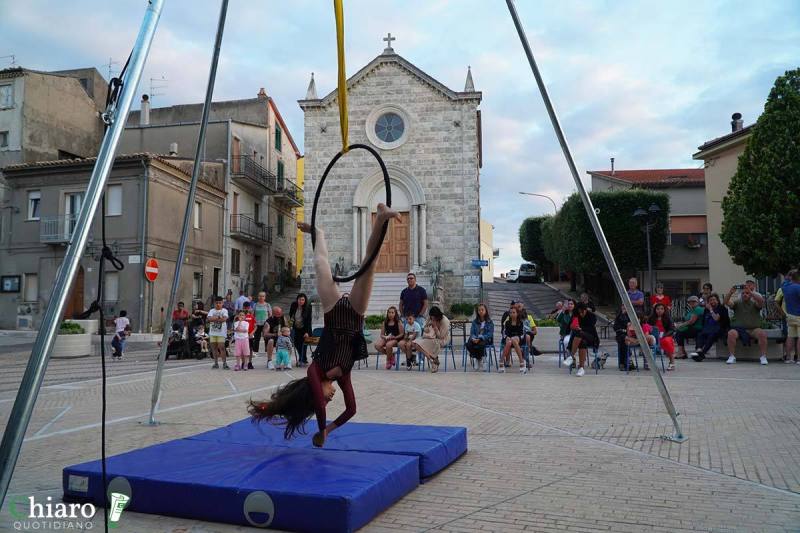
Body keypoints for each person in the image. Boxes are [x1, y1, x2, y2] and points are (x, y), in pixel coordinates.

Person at [248, 203, 401, 445]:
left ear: (316, 388)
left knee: (321, 266)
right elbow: (351, 409)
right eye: (331, 399)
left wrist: (321, 428)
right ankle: (381, 219)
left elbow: (319, 405)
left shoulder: (315, 370)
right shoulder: (344, 375)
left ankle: (318, 233)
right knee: (368, 267)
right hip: (355, 315)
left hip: (332, 312)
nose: (331, 397)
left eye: (328, 398)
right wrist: (328, 431)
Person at [724, 281, 769, 365]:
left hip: (753, 329)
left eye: (747, 293)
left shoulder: (754, 303)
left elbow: (761, 301)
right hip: (739, 329)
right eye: (743, 293)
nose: (745, 294)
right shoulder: (737, 302)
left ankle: (763, 357)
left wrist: (751, 292)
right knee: (731, 333)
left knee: (762, 334)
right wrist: (730, 292)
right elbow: (726, 302)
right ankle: (732, 356)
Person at [690, 293, 730, 361]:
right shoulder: (706, 310)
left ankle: (702, 353)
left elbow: (716, 318)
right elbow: (704, 321)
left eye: (714, 300)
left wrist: (711, 310)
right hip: (708, 328)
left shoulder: (721, 308)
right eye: (710, 300)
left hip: (720, 329)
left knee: (711, 335)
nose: (712, 301)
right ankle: (699, 350)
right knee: (700, 334)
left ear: (717, 300)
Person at [564, 302, 598, 377]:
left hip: (591, 336)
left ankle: (571, 356)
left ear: (585, 310)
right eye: (579, 312)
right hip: (579, 339)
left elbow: (591, 328)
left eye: (582, 312)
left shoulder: (592, 316)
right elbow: (569, 327)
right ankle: (581, 368)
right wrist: (572, 327)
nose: (581, 314)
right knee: (582, 342)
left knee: (579, 333)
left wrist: (580, 328)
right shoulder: (576, 315)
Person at [413, 306, 450, 373]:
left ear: (437, 316)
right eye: (431, 317)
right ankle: (433, 360)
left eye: (433, 317)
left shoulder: (445, 321)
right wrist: (427, 327)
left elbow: (441, 336)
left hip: (442, 339)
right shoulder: (430, 317)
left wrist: (435, 327)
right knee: (415, 343)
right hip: (429, 336)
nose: (432, 319)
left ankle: (433, 362)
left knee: (423, 344)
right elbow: (424, 327)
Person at [777, 270, 800, 364]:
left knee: (790, 336)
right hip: (799, 315)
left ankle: (788, 358)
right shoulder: (798, 288)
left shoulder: (785, 287)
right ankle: (799, 359)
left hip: (789, 315)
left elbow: (785, 282)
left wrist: (789, 274)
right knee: (799, 337)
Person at [647, 303, 676, 371]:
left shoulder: (668, 318)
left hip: (665, 336)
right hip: (654, 337)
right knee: (647, 340)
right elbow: (647, 328)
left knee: (667, 341)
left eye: (661, 309)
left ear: (664, 310)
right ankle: (649, 363)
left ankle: (672, 362)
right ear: (655, 310)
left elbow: (672, 329)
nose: (659, 310)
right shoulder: (651, 318)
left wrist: (664, 335)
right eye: (658, 309)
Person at [466, 303, 494, 369]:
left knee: (481, 344)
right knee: (468, 344)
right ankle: (478, 358)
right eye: (479, 310)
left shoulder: (489, 322)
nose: (481, 311)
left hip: (485, 339)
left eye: (482, 310)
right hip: (475, 338)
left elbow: (490, 334)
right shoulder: (474, 322)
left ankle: (483, 360)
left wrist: (481, 337)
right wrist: (473, 338)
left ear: (486, 311)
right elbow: (472, 332)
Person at [288, 293, 313, 367]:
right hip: (296, 327)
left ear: (305, 301)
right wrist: (290, 326)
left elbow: (309, 321)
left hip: (305, 329)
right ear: (297, 300)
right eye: (299, 299)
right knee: (296, 343)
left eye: (303, 300)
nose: (301, 301)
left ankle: (302, 359)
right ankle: (302, 358)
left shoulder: (308, 307)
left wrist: (307, 332)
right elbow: (291, 316)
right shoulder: (293, 305)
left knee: (304, 344)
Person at [500, 307, 526, 374]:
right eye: (510, 313)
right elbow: (504, 333)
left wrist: (517, 337)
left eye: (514, 312)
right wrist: (507, 337)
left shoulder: (521, 322)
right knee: (509, 341)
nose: (512, 314)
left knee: (514, 340)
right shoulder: (507, 323)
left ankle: (521, 362)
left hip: (519, 338)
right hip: (508, 338)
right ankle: (502, 362)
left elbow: (523, 334)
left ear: (517, 313)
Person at [207, 296, 229, 369]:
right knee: (214, 348)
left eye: (220, 303)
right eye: (217, 303)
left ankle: (224, 363)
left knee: (222, 347)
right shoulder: (212, 310)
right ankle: (216, 363)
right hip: (213, 332)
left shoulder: (224, 310)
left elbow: (224, 319)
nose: (218, 304)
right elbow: (209, 319)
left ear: (222, 303)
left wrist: (215, 318)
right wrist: (219, 317)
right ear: (214, 303)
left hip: (221, 333)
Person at [252, 292, 272, 362]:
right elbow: (253, 315)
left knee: (266, 337)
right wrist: (253, 323)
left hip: (265, 324)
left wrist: (269, 323)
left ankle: (267, 351)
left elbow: (270, 315)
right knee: (256, 338)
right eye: (260, 296)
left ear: (265, 297)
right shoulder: (255, 305)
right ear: (258, 297)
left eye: (263, 296)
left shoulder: (267, 305)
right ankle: (255, 351)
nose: (261, 297)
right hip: (257, 324)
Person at [613, 306, 633, 371]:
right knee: (623, 341)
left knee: (625, 340)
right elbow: (615, 327)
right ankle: (623, 363)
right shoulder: (619, 317)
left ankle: (626, 362)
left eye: (626, 307)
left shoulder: (632, 316)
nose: (624, 309)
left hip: (631, 336)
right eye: (623, 307)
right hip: (621, 335)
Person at [243, 302, 256, 370]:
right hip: (243, 335)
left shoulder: (251, 316)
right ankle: (243, 362)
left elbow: (255, 326)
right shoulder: (241, 316)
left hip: (250, 335)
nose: (246, 309)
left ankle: (250, 362)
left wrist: (252, 333)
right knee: (243, 349)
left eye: (247, 308)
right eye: (245, 308)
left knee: (250, 349)